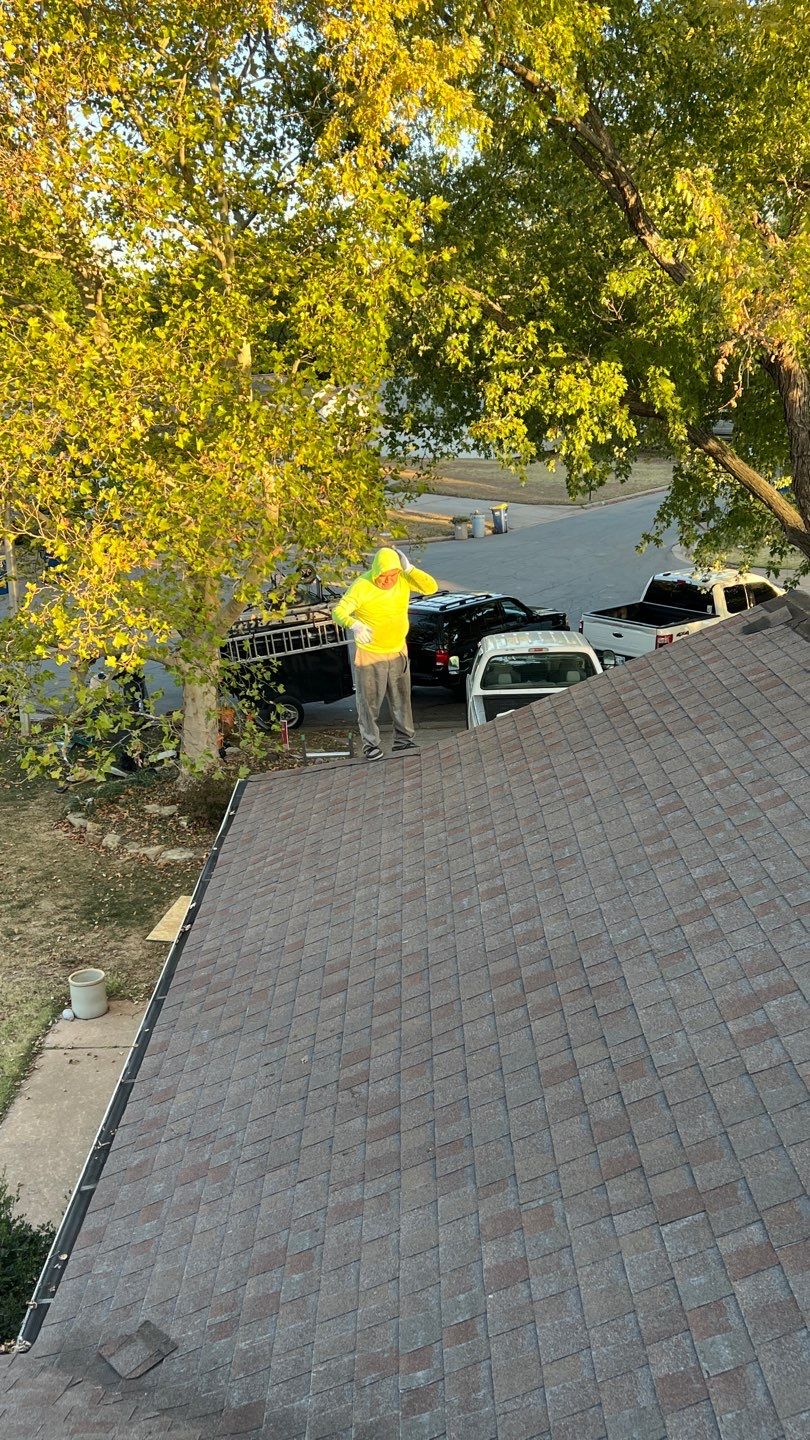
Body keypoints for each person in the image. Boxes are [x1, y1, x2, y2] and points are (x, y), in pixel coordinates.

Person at [332, 546, 438, 759]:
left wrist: (410, 569)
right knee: (369, 702)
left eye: (393, 575)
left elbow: (431, 588)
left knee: (401, 698)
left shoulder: (403, 578)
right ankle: (370, 744)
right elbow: (338, 611)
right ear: (375, 571)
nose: (388, 580)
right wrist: (355, 625)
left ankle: (403, 741)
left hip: (398, 650)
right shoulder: (362, 585)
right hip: (371, 654)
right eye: (384, 576)